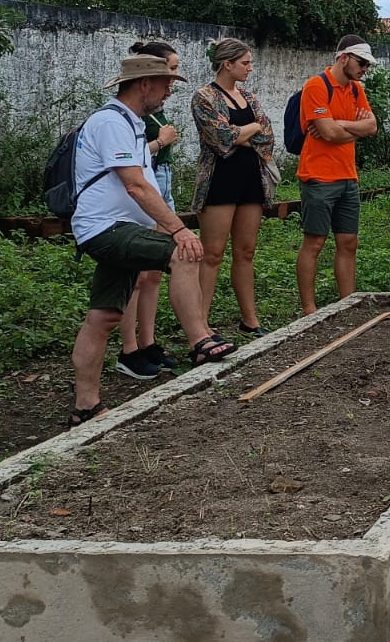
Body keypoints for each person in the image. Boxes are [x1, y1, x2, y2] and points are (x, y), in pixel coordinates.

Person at [68, 54, 229, 428]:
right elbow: (136, 185)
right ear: (144, 84)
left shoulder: (131, 123)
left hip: (116, 227)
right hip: (106, 228)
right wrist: (177, 229)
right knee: (183, 253)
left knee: (104, 316)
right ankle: (200, 341)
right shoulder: (111, 122)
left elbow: (142, 185)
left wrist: (161, 224)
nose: (169, 91)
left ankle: (85, 406)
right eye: (165, 84)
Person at [191, 38, 277, 336]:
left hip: (251, 179)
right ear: (227, 64)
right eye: (245, 63)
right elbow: (222, 138)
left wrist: (243, 133)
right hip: (219, 181)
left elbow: (267, 136)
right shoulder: (204, 97)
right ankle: (200, 324)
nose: (250, 68)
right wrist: (249, 130)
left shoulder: (248, 97)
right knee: (212, 253)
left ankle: (250, 319)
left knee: (246, 251)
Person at [113, 40, 181, 379]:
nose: (171, 85)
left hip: (160, 183)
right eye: (169, 73)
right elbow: (131, 167)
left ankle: (148, 341)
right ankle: (129, 349)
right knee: (138, 276)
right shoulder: (118, 120)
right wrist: (162, 141)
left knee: (154, 272)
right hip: (144, 189)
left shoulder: (147, 114)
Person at [295, 36, 378, 315]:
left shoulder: (355, 89)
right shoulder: (316, 86)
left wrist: (341, 123)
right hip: (318, 176)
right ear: (344, 58)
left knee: (348, 242)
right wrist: (354, 127)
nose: (364, 69)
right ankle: (309, 309)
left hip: (347, 176)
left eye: (367, 64)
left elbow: (372, 127)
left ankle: (347, 303)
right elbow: (328, 133)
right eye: (361, 62)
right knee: (315, 242)